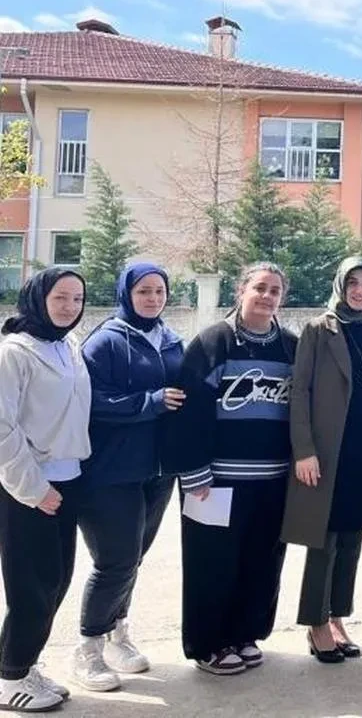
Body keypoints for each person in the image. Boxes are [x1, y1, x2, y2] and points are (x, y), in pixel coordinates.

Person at [165, 262, 297, 676]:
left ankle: (244, 635)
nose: (267, 296)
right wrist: (194, 472)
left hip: (273, 480)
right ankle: (208, 645)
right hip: (216, 480)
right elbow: (187, 411)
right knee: (212, 564)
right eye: (260, 288)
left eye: (275, 290)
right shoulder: (213, 341)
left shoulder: (290, 347)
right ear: (241, 291)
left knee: (261, 563)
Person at [74, 263, 185, 692]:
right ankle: (87, 648)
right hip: (111, 470)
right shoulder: (104, 341)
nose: (153, 299)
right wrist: (149, 403)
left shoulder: (171, 339)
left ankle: (118, 634)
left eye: (159, 291)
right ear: (126, 294)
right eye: (143, 291)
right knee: (115, 561)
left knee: (133, 558)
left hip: (158, 471)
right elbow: (90, 401)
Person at [284, 258, 362, 664]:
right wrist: (304, 449)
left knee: (352, 539)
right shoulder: (319, 329)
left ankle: (337, 618)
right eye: (353, 282)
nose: (360, 290)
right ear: (341, 285)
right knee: (325, 539)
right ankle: (316, 623)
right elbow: (300, 391)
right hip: (330, 451)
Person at [0, 269, 90, 712]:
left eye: (77, 299)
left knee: (56, 580)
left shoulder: (68, 345)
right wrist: (35, 488)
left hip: (68, 477)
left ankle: (22, 663)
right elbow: (2, 427)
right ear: (38, 298)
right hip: (29, 485)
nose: (70, 307)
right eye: (60, 297)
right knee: (31, 586)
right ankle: (9, 677)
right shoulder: (14, 352)